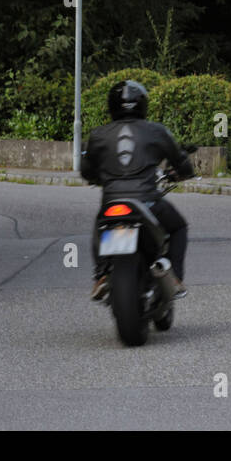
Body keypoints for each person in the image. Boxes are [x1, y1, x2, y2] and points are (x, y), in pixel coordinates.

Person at [80, 79, 195, 302]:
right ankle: (174, 278)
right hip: (148, 200)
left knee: (100, 225)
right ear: (143, 104)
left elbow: (86, 171)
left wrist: (98, 177)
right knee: (179, 226)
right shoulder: (156, 131)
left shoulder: (97, 135)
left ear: (111, 105)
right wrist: (182, 172)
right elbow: (181, 161)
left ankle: (102, 275)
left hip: (112, 202)